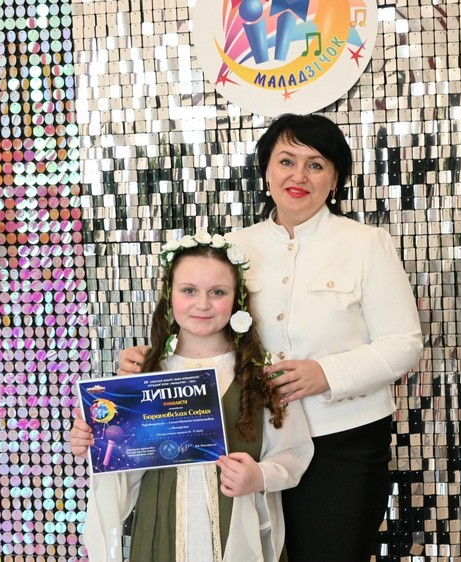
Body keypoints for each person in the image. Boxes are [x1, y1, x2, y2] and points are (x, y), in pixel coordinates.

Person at [119, 113, 423, 561]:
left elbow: (404, 343)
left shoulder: (366, 244)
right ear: (266, 171)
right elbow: (201, 324)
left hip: (341, 441)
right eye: (286, 161)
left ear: (335, 179)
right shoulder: (235, 247)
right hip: (249, 442)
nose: (299, 176)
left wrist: (326, 374)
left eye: (315, 164)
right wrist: (149, 364)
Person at [70, 230, 314, 562]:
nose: (202, 304)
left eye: (217, 292)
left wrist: (259, 476)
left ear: (238, 299)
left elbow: (294, 452)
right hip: (161, 526)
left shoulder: (263, 373)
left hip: (236, 525)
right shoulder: (143, 375)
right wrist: (94, 441)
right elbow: (126, 468)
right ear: (169, 295)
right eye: (189, 290)